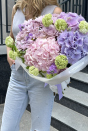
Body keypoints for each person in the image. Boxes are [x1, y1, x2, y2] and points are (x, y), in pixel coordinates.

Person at [0, 0, 62, 131]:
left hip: (41, 80)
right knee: (7, 128)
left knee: (40, 129)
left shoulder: (54, 11)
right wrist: (9, 52)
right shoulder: (17, 9)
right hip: (17, 77)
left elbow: (62, 46)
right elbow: (11, 37)